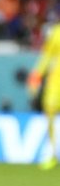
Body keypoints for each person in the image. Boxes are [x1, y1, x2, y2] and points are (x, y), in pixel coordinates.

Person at [28, 23, 60, 170]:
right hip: (55, 81)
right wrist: (37, 75)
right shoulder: (56, 32)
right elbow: (47, 56)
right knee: (50, 114)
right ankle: (52, 154)